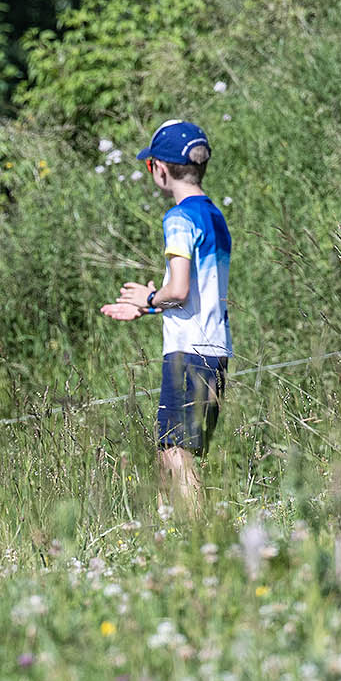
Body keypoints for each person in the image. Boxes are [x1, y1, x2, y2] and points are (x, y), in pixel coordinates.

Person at [101, 119, 231, 511]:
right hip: (215, 350)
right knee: (169, 448)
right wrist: (150, 306)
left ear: (159, 169)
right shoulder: (214, 216)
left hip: (187, 351)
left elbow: (179, 289)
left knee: (176, 452)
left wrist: (150, 295)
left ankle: (201, 533)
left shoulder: (178, 218)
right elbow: (195, 292)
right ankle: (167, 528)